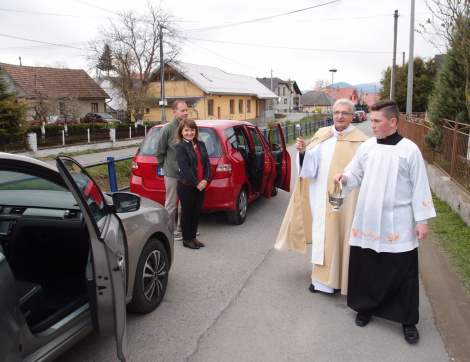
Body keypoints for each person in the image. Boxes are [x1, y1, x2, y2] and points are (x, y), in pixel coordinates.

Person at [333, 99, 436, 343]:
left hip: (398, 222)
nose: (373, 125)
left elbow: (420, 186)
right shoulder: (368, 147)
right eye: (372, 119)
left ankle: (407, 320)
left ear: (393, 122)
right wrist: (344, 178)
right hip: (367, 219)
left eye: (378, 121)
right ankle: (365, 307)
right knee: (368, 266)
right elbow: (355, 173)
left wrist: (422, 220)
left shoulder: (409, 150)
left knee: (403, 271)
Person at [275, 98, 368, 295]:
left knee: (344, 236)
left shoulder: (361, 142)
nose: (340, 116)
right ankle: (320, 281)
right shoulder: (322, 135)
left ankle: (343, 279)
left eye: (344, 113)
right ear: (332, 114)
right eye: (336, 112)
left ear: (352, 116)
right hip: (321, 197)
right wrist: (302, 153)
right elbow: (309, 170)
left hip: (348, 201)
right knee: (323, 236)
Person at [175, 118, 211, 249]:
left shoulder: (201, 144)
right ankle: (186, 239)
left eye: (192, 129)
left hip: (201, 184)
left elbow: (207, 163)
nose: (189, 133)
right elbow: (185, 169)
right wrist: (197, 183)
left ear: (195, 130)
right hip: (186, 186)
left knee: (196, 212)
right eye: (186, 130)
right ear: (181, 131)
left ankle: (193, 237)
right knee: (187, 212)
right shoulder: (180, 147)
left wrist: (205, 180)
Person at [155, 100, 187, 241]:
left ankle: (182, 228)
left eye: (186, 110)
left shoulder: (189, 127)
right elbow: (159, 152)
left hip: (186, 173)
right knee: (171, 203)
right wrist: (167, 167)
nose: (185, 113)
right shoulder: (167, 129)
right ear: (174, 112)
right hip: (172, 173)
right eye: (182, 110)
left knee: (184, 202)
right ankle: (169, 231)